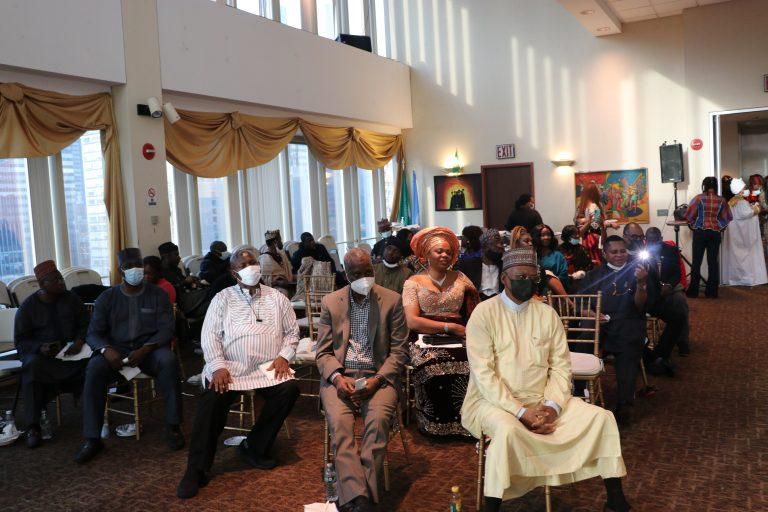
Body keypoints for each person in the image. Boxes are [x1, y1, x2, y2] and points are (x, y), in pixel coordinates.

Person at [462, 247, 629, 512]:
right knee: (507, 431)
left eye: (532, 277)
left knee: (602, 418)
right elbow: (484, 375)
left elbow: (561, 367)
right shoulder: (484, 314)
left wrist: (552, 407)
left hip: (544, 401)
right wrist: (520, 412)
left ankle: (616, 501)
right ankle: (491, 507)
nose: (527, 282)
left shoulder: (547, 314)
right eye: (520, 277)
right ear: (504, 278)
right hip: (492, 403)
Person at [177, 246, 301, 499]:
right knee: (212, 398)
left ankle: (254, 446)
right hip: (231, 367)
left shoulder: (277, 298)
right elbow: (209, 336)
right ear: (234, 273)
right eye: (243, 266)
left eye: (252, 262)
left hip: (267, 366)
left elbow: (292, 333)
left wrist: (283, 356)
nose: (250, 268)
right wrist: (218, 366)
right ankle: (196, 469)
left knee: (289, 389)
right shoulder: (222, 298)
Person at [315, 249, 409, 512]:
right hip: (341, 376)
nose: (364, 278)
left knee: (377, 424)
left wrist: (377, 380)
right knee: (340, 426)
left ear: (374, 269)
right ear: (346, 275)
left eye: (368, 271)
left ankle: (357, 496)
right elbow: (322, 353)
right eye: (357, 274)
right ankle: (361, 498)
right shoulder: (331, 302)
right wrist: (336, 378)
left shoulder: (391, 300)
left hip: (378, 377)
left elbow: (400, 351)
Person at [76, 248, 182, 464]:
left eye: (138, 265)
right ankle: (92, 439)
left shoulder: (157, 294)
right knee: (94, 368)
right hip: (116, 352)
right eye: (129, 266)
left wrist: (146, 349)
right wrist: (106, 350)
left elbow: (166, 329)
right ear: (120, 271)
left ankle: (173, 427)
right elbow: (93, 333)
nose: (135, 270)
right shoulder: (107, 298)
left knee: (169, 361)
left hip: (149, 350)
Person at [402, 227, 479, 436]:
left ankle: (468, 422)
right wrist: (448, 327)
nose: (445, 255)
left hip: (460, 335)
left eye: (448, 252)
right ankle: (435, 424)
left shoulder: (461, 278)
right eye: (439, 251)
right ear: (427, 254)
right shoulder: (413, 283)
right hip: (424, 337)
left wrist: (467, 330)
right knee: (433, 365)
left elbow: (476, 309)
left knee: (475, 364)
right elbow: (412, 321)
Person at [580, 236, 657, 426]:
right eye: (614, 252)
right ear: (605, 254)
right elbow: (581, 304)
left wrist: (641, 284)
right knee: (582, 342)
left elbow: (640, 305)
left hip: (628, 321)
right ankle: (578, 397)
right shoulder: (594, 275)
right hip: (600, 324)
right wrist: (590, 313)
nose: (619, 255)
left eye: (623, 251)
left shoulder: (638, 272)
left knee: (628, 349)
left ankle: (624, 406)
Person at [14, 260, 90, 448]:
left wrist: (80, 341)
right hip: (45, 358)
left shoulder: (71, 299)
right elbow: (21, 341)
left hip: (73, 354)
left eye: (61, 278)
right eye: (55, 280)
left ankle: (95, 417)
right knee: (31, 367)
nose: (61, 283)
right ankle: (33, 427)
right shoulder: (28, 307)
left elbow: (86, 324)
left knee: (96, 363)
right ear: (42, 284)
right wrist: (40, 348)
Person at [645, 227, 691, 366]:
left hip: (670, 286)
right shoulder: (642, 253)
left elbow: (677, 273)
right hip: (651, 289)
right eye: (650, 241)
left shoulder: (670, 250)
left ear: (661, 239)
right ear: (646, 240)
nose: (653, 243)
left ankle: (682, 341)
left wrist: (669, 286)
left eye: (656, 240)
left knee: (680, 301)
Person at [684, 177, 732, 298]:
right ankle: (712, 292)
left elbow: (688, 215)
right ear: (716, 186)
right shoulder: (721, 200)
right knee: (713, 262)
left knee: (696, 262)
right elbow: (727, 217)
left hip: (700, 232)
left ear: (704, 185)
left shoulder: (698, 198)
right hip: (715, 234)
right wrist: (718, 226)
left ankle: (693, 291)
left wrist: (694, 225)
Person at [720, 177, 768, 287]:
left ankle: (735, 278)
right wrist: (756, 207)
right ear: (740, 189)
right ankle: (745, 278)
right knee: (746, 256)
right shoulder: (740, 202)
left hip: (736, 233)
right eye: (744, 187)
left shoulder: (732, 201)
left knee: (736, 256)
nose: (745, 189)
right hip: (742, 235)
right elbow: (746, 213)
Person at [509, 227, 568, 298]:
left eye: (531, 241)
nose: (530, 243)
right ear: (517, 243)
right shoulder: (511, 264)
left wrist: (543, 296)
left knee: (548, 275)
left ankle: (568, 302)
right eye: (526, 241)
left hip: (541, 296)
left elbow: (543, 285)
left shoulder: (536, 261)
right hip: (521, 298)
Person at [456, 228, 505, 300]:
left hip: (499, 302)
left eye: (501, 244)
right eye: (495, 244)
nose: (500, 247)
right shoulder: (468, 265)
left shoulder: (505, 266)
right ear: (484, 247)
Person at [575, 182, 606, 265]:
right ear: (594, 193)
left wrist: (584, 220)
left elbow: (576, 222)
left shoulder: (580, 206)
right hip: (592, 240)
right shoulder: (595, 206)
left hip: (581, 240)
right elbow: (596, 225)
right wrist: (590, 220)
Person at [557, 224, 592, 292]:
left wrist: (582, 272)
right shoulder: (558, 250)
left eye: (578, 234)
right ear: (567, 236)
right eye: (574, 234)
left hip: (579, 281)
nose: (577, 236)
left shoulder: (582, 249)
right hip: (562, 282)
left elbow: (589, 265)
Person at [259, 229, 294, 294]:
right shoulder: (265, 258)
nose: (281, 242)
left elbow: (288, 272)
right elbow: (265, 280)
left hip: (287, 282)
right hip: (275, 288)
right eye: (280, 240)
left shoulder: (281, 254)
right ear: (275, 242)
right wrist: (278, 282)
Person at [746, 174, 768, 264]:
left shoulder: (759, 192)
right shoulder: (752, 193)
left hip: (759, 220)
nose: (758, 186)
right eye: (755, 184)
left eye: (759, 184)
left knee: (761, 242)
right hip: (755, 221)